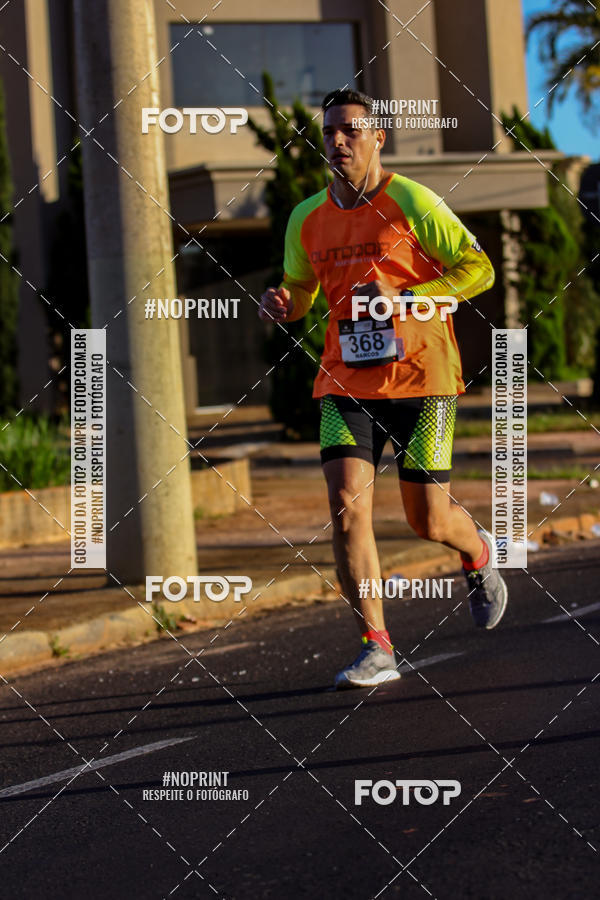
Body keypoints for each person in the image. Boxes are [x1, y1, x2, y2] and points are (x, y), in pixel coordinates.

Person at [258, 89, 508, 689]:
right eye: (329, 133)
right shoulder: (306, 218)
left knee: (428, 520)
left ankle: (476, 551)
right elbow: (301, 293)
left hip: (424, 380)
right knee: (347, 511)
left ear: (377, 138)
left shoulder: (412, 201)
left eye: (350, 130)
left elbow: (479, 270)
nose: (338, 142)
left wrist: (412, 298)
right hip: (346, 381)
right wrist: (284, 304)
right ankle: (376, 645)